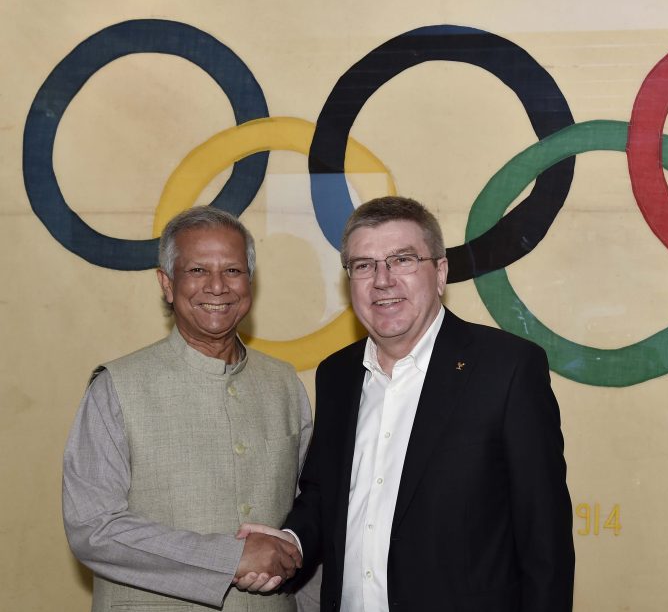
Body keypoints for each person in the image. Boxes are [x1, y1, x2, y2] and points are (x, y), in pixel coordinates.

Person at [238, 196, 574, 612]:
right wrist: (291, 541)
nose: (382, 280)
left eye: (402, 260)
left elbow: (545, 539)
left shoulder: (507, 368)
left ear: (440, 273)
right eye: (364, 265)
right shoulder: (337, 375)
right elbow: (325, 495)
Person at [63, 206, 320, 611]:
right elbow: (93, 527)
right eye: (198, 270)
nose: (217, 287)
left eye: (233, 271)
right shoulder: (116, 387)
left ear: (250, 282)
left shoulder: (285, 384)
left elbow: (309, 517)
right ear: (167, 284)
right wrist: (229, 558)